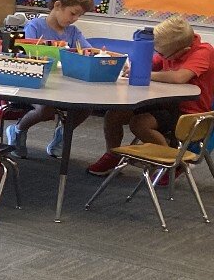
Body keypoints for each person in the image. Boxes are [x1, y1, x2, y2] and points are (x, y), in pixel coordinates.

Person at [91, 15, 214, 176]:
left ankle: (171, 163)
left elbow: (179, 77)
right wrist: (135, 66)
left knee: (140, 124)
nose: (161, 57)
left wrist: (145, 74)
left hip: (188, 109)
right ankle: (113, 155)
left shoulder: (204, 51)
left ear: (183, 51)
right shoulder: (170, 48)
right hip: (163, 102)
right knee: (114, 115)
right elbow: (150, 64)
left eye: (164, 55)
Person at [10, 0, 96, 159]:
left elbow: (88, 52)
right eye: (73, 13)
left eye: (79, 15)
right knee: (46, 111)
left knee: (87, 107)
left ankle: (63, 134)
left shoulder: (73, 32)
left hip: (61, 86)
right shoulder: (35, 27)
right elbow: (29, 55)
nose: (75, 19)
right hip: (35, 83)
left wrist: (100, 56)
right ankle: (18, 130)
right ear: (58, 6)